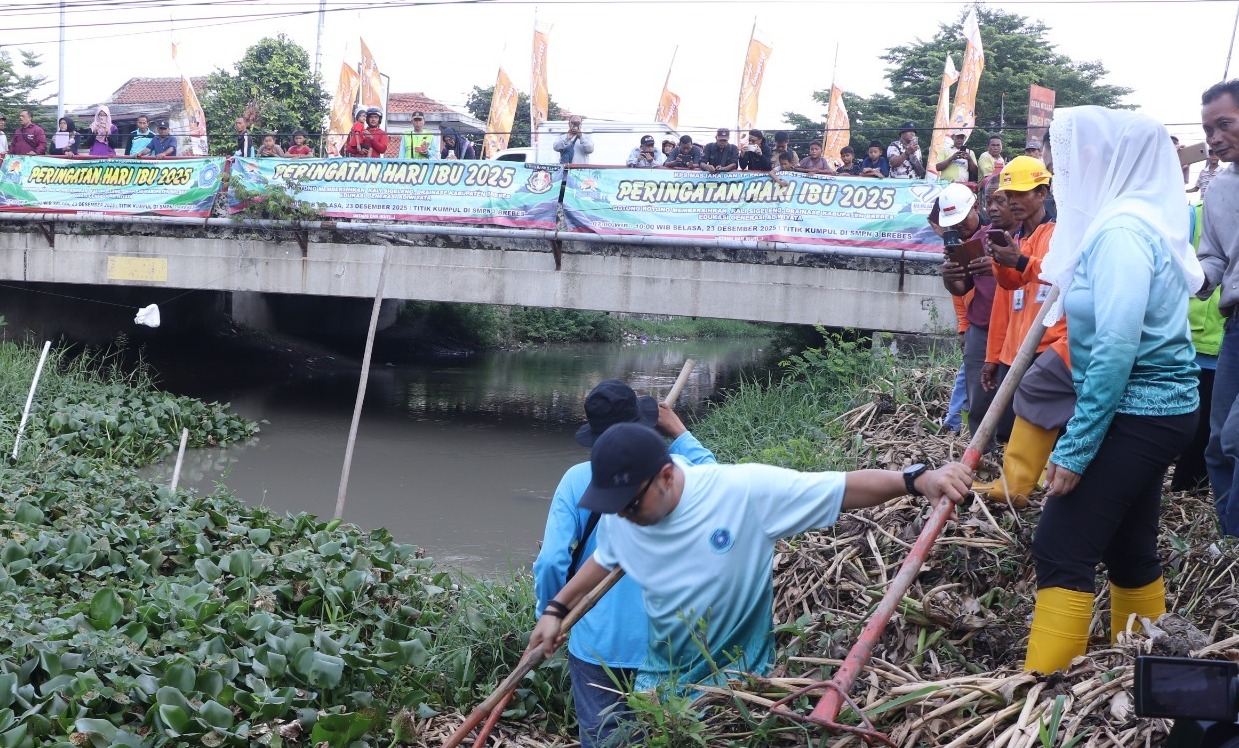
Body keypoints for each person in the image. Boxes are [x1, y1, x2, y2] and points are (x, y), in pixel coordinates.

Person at [529, 422, 972, 695]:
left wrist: (917, 481)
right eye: (615, 507)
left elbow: (840, 488)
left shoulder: (740, 492)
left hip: (738, 692)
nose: (623, 515)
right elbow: (605, 559)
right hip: (659, 691)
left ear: (667, 475)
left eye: (630, 504)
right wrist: (557, 608)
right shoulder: (621, 515)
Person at [1023, 107, 1202, 673]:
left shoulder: (1123, 233)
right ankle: (1141, 668)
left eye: (1073, 157)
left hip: (1140, 409)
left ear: (1108, 162)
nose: (1065, 168)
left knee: (1061, 546)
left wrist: (1076, 449)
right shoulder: (1134, 222)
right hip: (1157, 411)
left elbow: (1118, 349)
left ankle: (1046, 688)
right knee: (1129, 548)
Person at [533, 380, 717, 748]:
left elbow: (552, 560)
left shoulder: (576, 480)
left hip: (598, 641)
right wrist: (678, 431)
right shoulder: (677, 473)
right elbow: (715, 476)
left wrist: (551, 612)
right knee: (666, 736)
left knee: (605, 739)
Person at [979, 156, 1065, 464]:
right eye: (1010, 195)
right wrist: (1002, 262)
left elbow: (1057, 275)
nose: (1013, 201)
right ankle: (1019, 482)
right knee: (1009, 428)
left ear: (1042, 193)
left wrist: (1017, 261)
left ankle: (1035, 484)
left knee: (1041, 425)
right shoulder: (1019, 238)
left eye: (1022, 194)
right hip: (1016, 349)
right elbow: (1010, 289)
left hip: (1047, 346)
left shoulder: (1058, 233)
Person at [1196, 79, 1239, 536]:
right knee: (1216, 444)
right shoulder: (1219, 189)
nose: (1214, 137)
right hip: (1236, 326)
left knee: (1236, 437)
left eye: (1224, 124)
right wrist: (1190, 278)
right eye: (1209, 129)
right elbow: (1214, 257)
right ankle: (1231, 544)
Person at [935, 183, 992, 435]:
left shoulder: (996, 235)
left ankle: (958, 420)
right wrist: (963, 326)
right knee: (971, 374)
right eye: (953, 225)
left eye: (961, 222)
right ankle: (958, 423)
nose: (959, 228)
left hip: (1002, 322)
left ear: (976, 207)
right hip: (976, 322)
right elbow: (961, 291)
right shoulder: (959, 244)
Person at [1172, 202, 1220, 492]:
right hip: (1198, 341)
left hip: (1223, 339)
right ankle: (1188, 490)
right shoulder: (1200, 211)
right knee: (1197, 428)